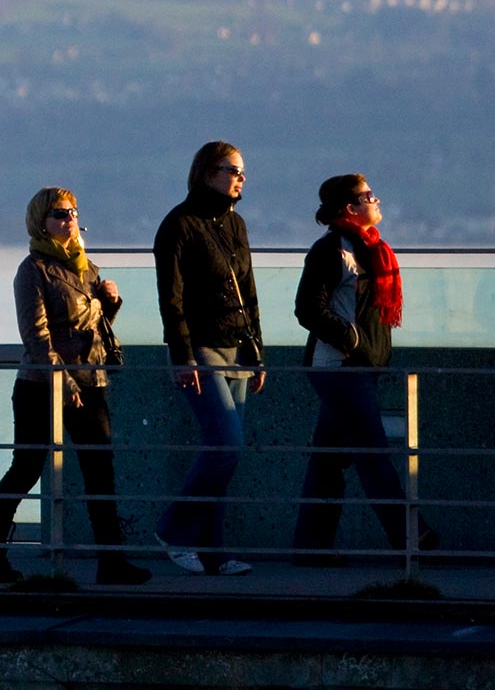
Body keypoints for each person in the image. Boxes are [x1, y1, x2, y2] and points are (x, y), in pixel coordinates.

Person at [0, 187, 150, 586]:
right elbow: (36, 337)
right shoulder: (32, 269)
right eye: (59, 213)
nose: (69, 219)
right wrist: (62, 379)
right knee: (27, 467)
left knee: (100, 470)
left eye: (73, 212)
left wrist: (111, 304)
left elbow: (92, 329)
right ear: (41, 221)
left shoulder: (86, 267)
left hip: (90, 382)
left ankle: (112, 562)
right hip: (40, 385)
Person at [291, 173, 439, 558]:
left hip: (362, 368)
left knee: (329, 461)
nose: (377, 200)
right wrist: (350, 339)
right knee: (372, 454)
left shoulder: (374, 250)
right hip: (340, 368)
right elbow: (308, 308)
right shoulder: (330, 251)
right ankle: (413, 539)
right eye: (368, 195)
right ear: (349, 208)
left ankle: (309, 548)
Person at [152, 140, 267, 576]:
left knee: (225, 453)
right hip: (200, 347)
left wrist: (258, 350)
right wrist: (181, 357)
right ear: (205, 172)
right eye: (231, 169)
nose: (240, 177)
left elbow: (248, 291)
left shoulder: (235, 224)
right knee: (225, 443)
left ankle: (214, 553)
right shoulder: (178, 226)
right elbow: (172, 300)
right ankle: (174, 529)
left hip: (238, 349)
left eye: (242, 170)